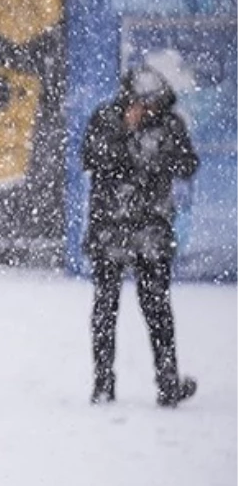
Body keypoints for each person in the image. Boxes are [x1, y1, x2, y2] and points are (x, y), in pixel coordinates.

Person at [81, 66, 199, 407]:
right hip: (111, 230)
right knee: (106, 307)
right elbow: (91, 158)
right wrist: (125, 134)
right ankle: (103, 383)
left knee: (157, 309)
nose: (147, 110)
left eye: (153, 104)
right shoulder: (106, 119)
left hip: (151, 230)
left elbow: (188, 164)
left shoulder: (169, 124)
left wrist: (156, 154)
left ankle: (167, 384)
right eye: (142, 103)